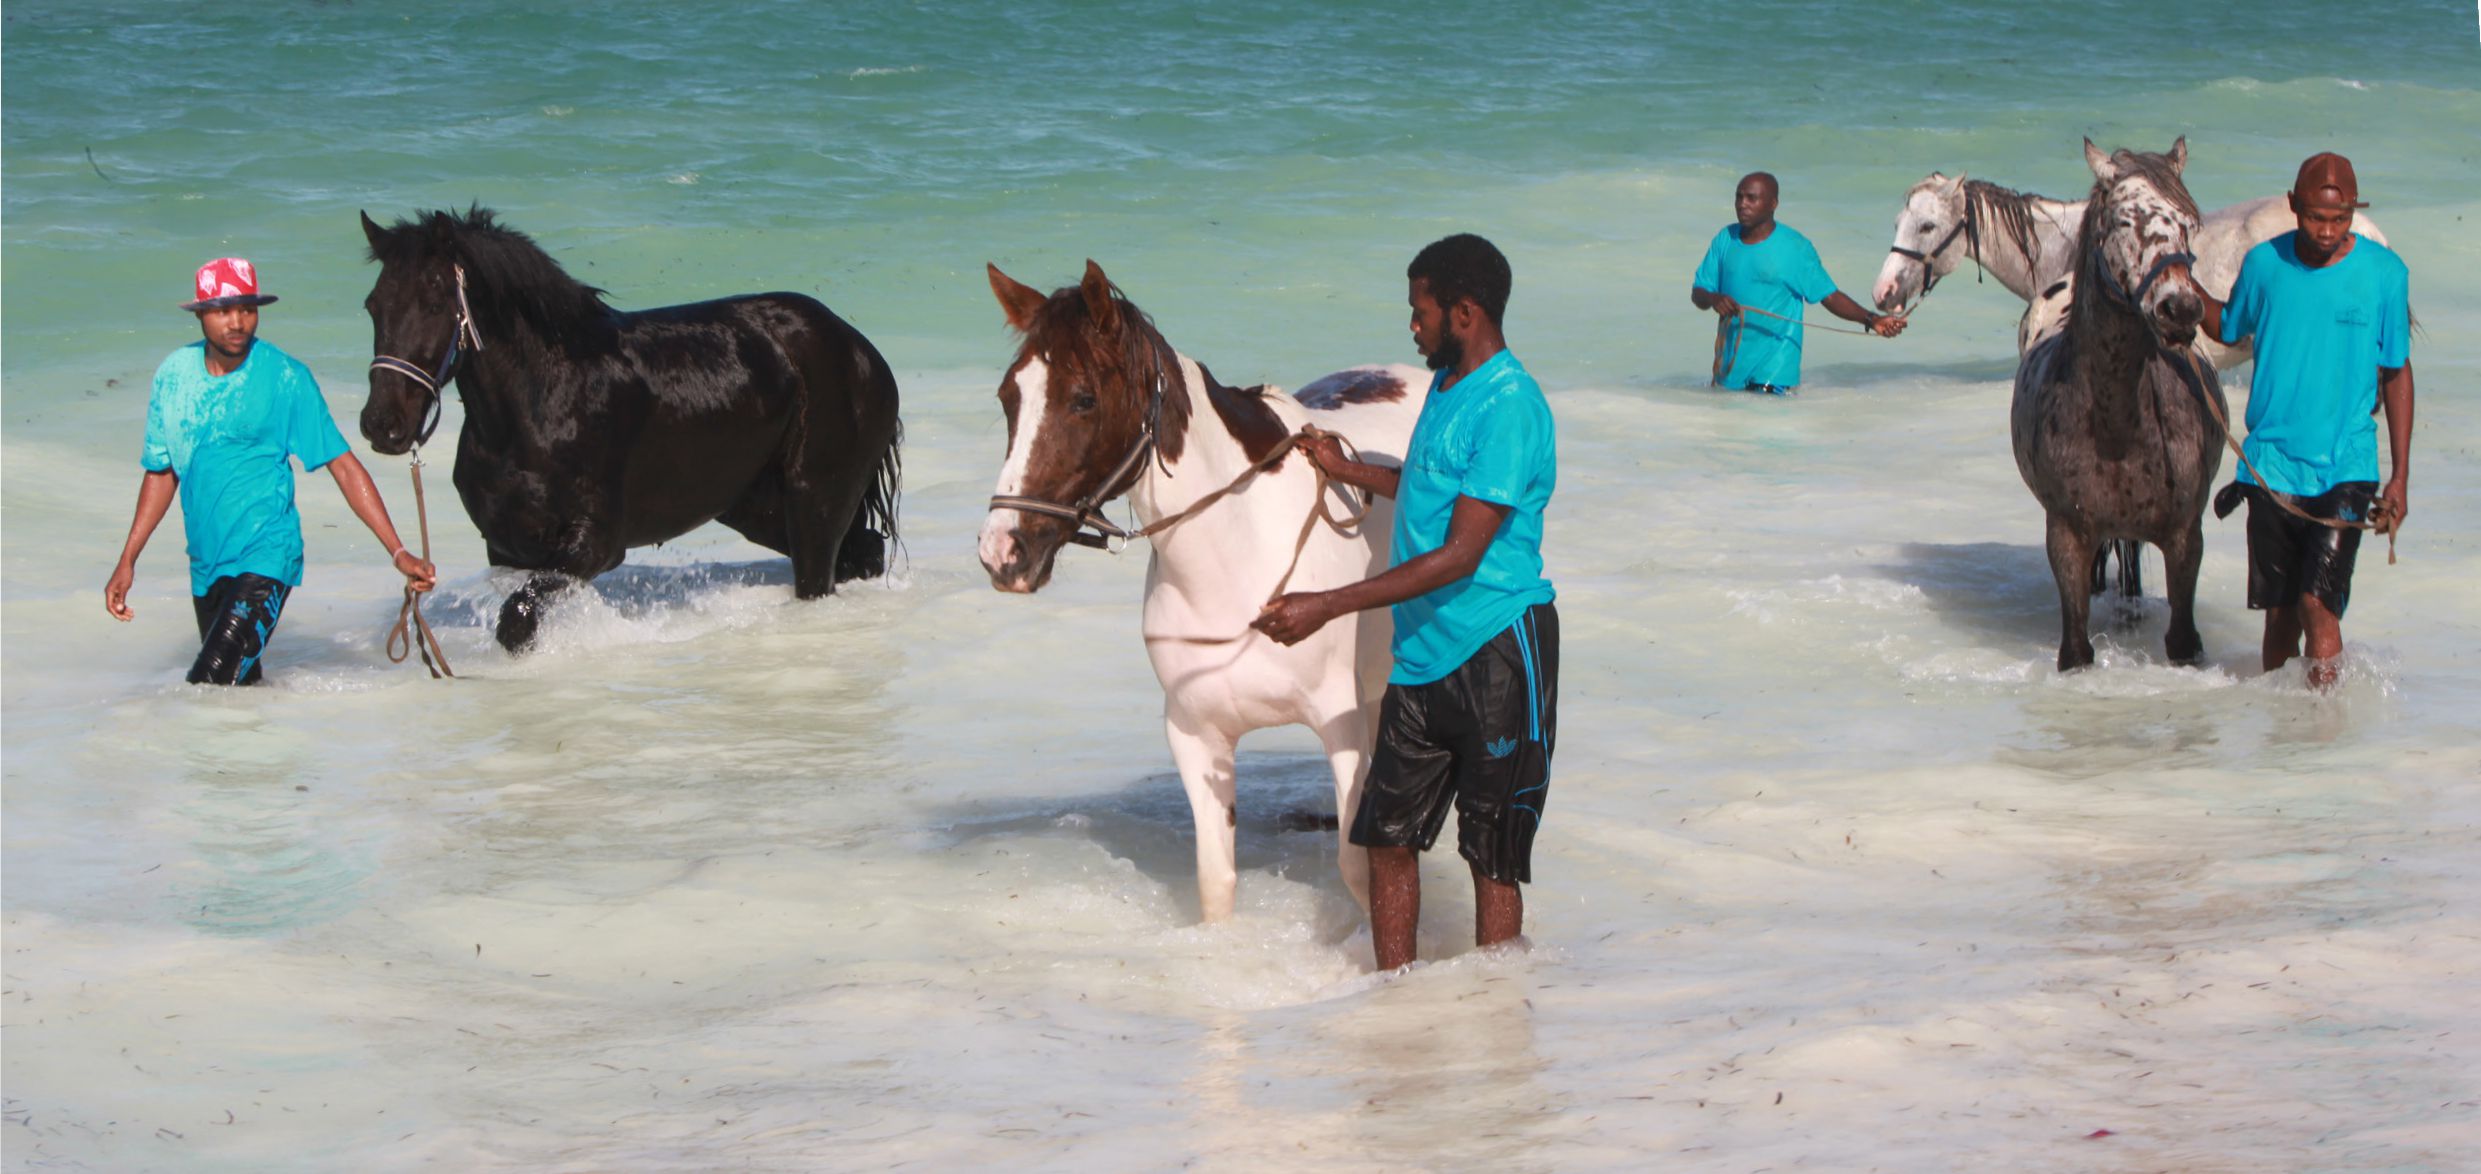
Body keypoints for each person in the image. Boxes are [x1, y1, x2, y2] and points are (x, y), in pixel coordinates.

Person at [1253, 234, 1558, 972]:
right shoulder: (1447, 389)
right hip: (1419, 657)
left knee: (1491, 855)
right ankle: (1395, 1001)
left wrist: (1326, 604)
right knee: (1386, 838)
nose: (1410, 325)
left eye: (1419, 311)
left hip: (1496, 653)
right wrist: (1349, 468)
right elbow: (1431, 491)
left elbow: (1459, 552)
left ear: (1463, 312)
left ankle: (1496, 1016)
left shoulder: (1511, 406)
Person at [105, 257, 438, 685]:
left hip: (268, 556)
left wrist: (398, 552)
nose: (237, 322)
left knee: (207, 685)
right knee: (238, 688)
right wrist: (127, 560)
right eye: (224, 310)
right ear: (201, 314)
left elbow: (342, 464)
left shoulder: (285, 377)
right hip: (207, 563)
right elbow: (161, 473)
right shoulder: (173, 377)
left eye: (247, 309)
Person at [2199, 153, 2413, 691]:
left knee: (2318, 605)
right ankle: (2285, 745)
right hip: (2271, 466)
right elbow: (2227, 326)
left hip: (2347, 464)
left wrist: (2400, 477)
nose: (2327, 231)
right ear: (2293, 206)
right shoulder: (2265, 266)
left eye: (2339, 220)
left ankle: (2323, 733)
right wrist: (2177, 279)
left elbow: (2396, 373)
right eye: (2316, 217)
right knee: (2280, 617)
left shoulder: (2385, 275)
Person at [1691, 171, 1904, 393]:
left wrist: (1872, 320)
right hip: (1730, 365)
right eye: (1739, 197)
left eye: (1751, 198)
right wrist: (1713, 298)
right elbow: (1699, 291)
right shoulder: (1725, 239)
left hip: (1775, 370)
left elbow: (1829, 296)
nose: (1743, 204)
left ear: (1773, 203)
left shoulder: (1795, 248)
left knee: (1762, 421)